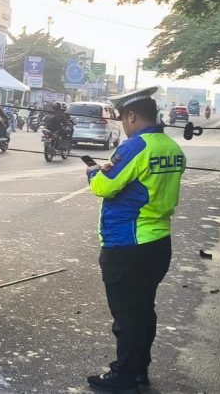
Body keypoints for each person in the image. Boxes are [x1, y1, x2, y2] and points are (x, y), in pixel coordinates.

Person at [84, 86, 186, 392]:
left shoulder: (135, 147)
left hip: (127, 244)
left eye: (122, 119)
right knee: (143, 309)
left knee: (127, 315)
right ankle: (139, 368)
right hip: (159, 243)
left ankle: (123, 377)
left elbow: (103, 186)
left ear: (131, 116)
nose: (122, 126)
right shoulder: (170, 147)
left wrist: (92, 172)